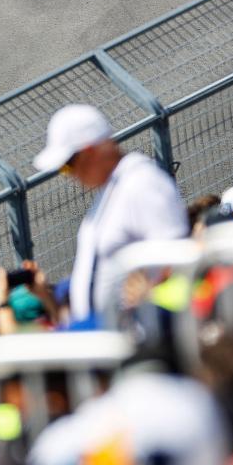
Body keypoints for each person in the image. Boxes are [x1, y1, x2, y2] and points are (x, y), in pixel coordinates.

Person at [33, 104, 187, 323]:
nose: (69, 175)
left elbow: (177, 254)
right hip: (108, 332)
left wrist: (151, 297)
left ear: (89, 151)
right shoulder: (114, 189)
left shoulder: (141, 182)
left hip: (137, 331)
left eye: (67, 166)